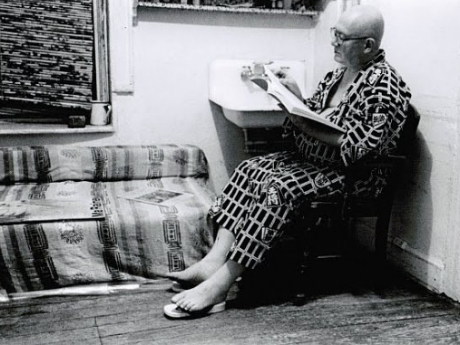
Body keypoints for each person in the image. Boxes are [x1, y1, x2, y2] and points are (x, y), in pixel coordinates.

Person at [164, 4, 411, 318]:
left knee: (277, 188)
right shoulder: (339, 72)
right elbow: (317, 112)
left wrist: (307, 124)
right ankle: (214, 261)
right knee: (249, 169)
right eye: (334, 34)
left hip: (352, 175)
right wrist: (293, 94)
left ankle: (222, 284)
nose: (333, 42)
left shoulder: (384, 87)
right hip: (316, 163)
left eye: (342, 37)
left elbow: (361, 148)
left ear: (368, 45)